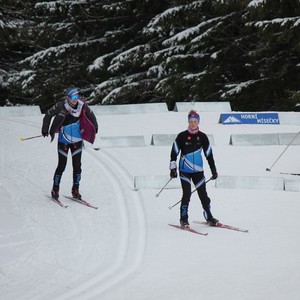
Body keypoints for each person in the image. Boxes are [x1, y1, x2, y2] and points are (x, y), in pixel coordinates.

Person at [41, 87, 98, 200]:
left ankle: (75, 190)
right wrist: (45, 128)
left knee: (77, 166)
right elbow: (48, 114)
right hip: (64, 140)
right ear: (68, 98)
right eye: (73, 97)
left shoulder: (82, 105)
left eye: (77, 96)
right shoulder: (61, 106)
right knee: (62, 165)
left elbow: (91, 116)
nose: (75, 99)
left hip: (77, 140)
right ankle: (55, 189)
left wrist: (95, 127)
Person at [169, 110, 218, 228]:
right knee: (186, 194)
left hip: (198, 171)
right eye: (191, 121)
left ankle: (209, 216)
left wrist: (213, 169)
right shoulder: (182, 136)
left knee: (203, 195)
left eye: (195, 121)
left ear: (198, 122)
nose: (193, 124)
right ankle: (183, 219)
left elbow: (209, 154)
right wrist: (173, 168)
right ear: (188, 121)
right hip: (184, 171)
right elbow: (174, 153)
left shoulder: (203, 137)